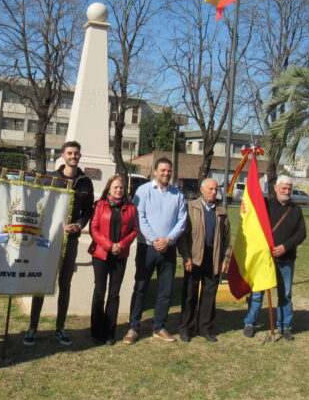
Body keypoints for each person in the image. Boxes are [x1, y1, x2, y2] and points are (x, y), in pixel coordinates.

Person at [23, 141, 94, 346]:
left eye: (76, 153)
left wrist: (80, 225)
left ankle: (60, 327)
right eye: (70, 153)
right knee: (42, 282)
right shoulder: (51, 179)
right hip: (48, 241)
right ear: (63, 155)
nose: (73, 156)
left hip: (70, 240)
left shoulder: (85, 182)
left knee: (65, 284)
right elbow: (39, 206)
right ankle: (33, 327)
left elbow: (88, 211)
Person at [123, 158, 187, 344]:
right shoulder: (143, 191)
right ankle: (133, 327)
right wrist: (155, 239)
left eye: (169, 170)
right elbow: (139, 217)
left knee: (165, 290)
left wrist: (168, 240)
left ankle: (159, 327)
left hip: (168, 248)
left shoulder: (178, 194)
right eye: (163, 170)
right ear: (155, 172)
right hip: (147, 248)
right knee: (141, 288)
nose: (166, 173)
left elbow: (182, 220)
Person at [242, 175, 306, 341]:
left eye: (289, 189)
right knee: (257, 294)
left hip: (286, 261)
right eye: (283, 188)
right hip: (265, 260)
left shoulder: (296, 210)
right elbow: (251, 211)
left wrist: (285, 247)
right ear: (276, 188)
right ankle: (250, 323)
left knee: (285, 296)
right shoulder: (266, 205)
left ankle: (284, 326)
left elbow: (301, 233)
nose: (287, 191)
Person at [177, 178, 231, 343]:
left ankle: (205, 328)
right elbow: (183, 235)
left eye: (215, 189)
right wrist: (186, 255)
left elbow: (227, 238)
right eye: (210, 189)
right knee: (190, 294)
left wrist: (225, 259)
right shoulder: (191, 207)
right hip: (194, 257)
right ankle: (186, 328)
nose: (214, 192)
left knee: (209, 294)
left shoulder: (221, 212)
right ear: (202, 190)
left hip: (213, 256)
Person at [89, 174, 139, 345]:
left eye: (121, 188)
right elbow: (94, 229)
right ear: (109, 189)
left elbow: (134, 230)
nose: (119, 190)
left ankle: (110, 332)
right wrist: (110, 245)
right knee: (99, 292)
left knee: (114, 294)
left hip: (120, 256)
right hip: (101, 254)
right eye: (116, 187)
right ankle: (97, 332)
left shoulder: (131, 208)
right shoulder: (100, 205)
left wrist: (121, 245)